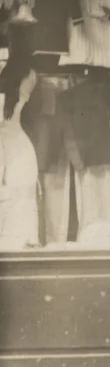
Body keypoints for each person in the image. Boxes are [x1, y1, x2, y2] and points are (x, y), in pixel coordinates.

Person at [0, 54, 40, 250]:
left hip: (18, 152)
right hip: (16, 150)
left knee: (21, 201)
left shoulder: (15, 97)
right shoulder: (9, 99)